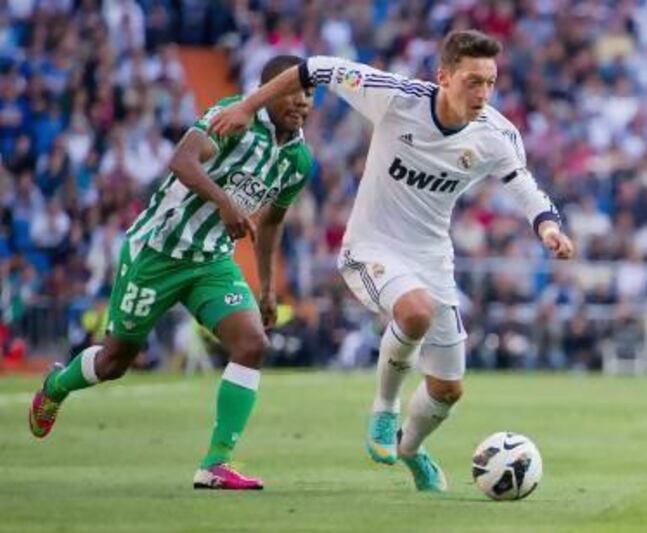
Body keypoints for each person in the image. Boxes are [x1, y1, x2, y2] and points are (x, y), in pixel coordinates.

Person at [210, 30, 575, 493]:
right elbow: (314, 66)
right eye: (472, 81)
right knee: (415, 311)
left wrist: (548, 227)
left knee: (448, 390)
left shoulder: (497, 134)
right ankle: (384, 409)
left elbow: (524, 186)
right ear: (443, 76)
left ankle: (410, 449)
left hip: (432, 258)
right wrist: (246, 106)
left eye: (490, 82)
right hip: (370, 247)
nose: (482, 93)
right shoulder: (396, 98)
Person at [28, 55, 315, 491]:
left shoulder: (298, 160)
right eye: (291, 91)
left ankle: (215, 464)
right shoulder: (234, 117)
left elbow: (272, 223)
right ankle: (56, 384)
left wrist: (269, 288)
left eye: (308, 93)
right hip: (157, 252)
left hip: (211, 262)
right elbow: (182, 161)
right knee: (114, 361)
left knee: (252, 343)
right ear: (267, 90)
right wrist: (223, 201)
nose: (301, 101)